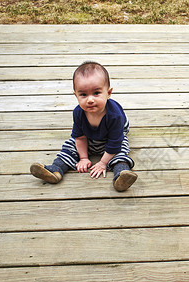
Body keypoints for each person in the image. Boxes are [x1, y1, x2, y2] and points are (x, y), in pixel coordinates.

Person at [30, 61, 137, 192]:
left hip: (113, 138)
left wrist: (102, 163)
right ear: (76, 95)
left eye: (96, 93)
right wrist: (84, 158)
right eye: (83, 95)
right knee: (70, 145)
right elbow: (80, 137)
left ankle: (121, 175)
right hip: (89, 137)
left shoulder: (114, 115)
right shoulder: (78, 112)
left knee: (121, 150)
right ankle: (56, 170)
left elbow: (115, 143)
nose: (90, 99)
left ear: (108, 93)